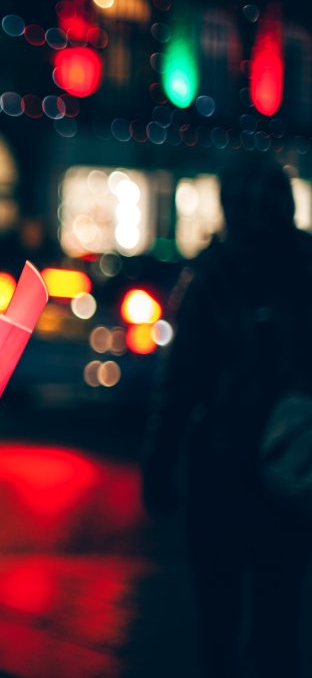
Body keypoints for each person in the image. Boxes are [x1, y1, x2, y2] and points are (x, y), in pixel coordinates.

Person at [143, 155, 312, 678]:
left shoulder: (212, 276)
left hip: (221, 463)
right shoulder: (304, 268)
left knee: (219, 615)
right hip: (291, 465)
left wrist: (160, 464)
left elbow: (182, 382)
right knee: (280, 613)